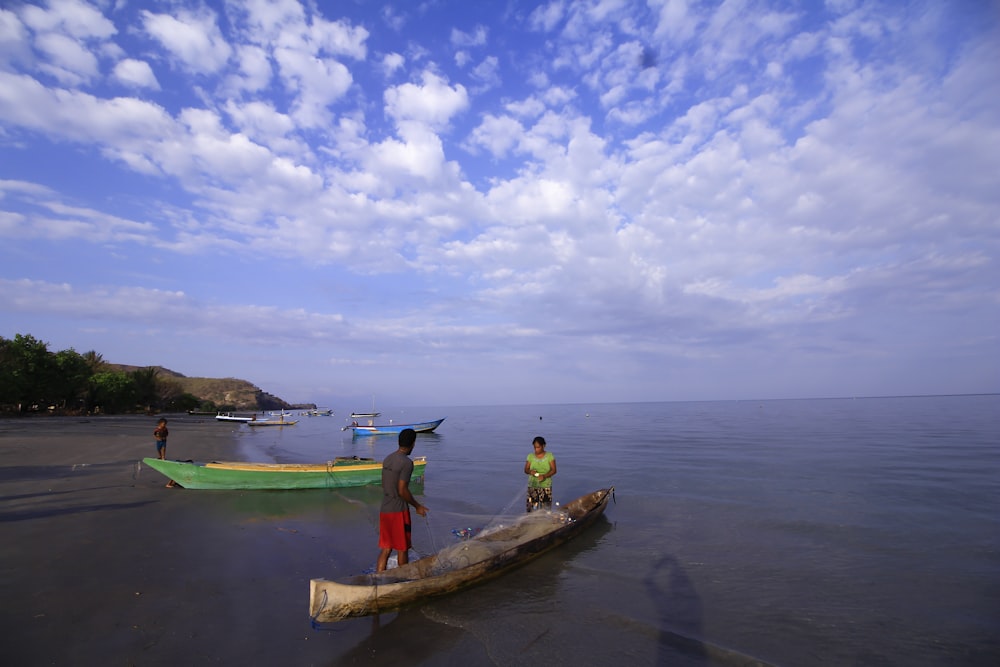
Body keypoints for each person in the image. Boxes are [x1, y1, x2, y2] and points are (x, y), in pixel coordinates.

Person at [376, 428, 428, 572]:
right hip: (398, 510)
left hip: (385, 508)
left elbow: (385, 484)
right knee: (402, 548)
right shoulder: (406, 463)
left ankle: (378, 580)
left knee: (386, 549)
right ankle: (403, 580)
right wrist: (417, 506)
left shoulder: (388, 458)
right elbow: (402, 490)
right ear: (413, 444)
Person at [524, 435, 556, 512]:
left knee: (545, 508)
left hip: (546, 486)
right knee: (531, 508)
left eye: (538, 447)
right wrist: (530, 472)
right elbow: (526, 469)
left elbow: (554, 470)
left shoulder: (549, 456)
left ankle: (544, 522)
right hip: (533, 485)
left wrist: (544, 476)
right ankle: (531, 522)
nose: (536, 449)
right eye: (535, 447)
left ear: (543, 446)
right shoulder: (530, 456)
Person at [153, 418, 176, 487]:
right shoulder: (157, 429)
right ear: (160, 423)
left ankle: (163, 457)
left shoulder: (165, 429)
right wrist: (157, 438)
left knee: (163, 448)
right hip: (158, 440)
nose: (164, 425)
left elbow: (167, 434)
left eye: (165, 424)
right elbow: (154, 434)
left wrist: (164, 437)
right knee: (158, 449)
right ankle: (160, 456)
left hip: (163, 440)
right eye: (163, 424)